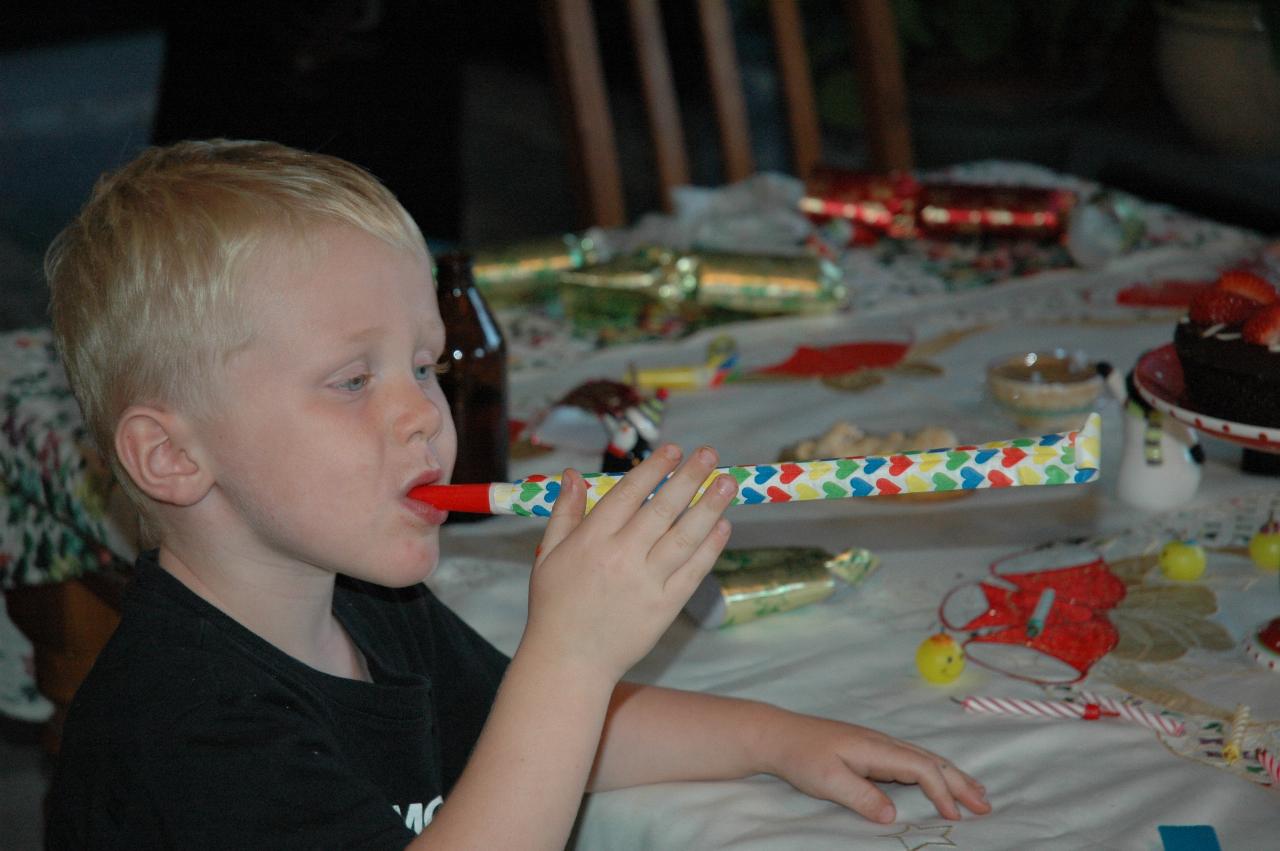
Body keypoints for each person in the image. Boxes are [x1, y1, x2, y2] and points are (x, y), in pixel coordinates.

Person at [43, 139, 989, 849]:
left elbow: (523, 734)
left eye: (424, 364)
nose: (426, 414)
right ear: (171, 457)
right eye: (353, 380)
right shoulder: (184, 728)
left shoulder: (374, 606)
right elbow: (546, 710)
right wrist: (569, 655)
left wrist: (772, 738)